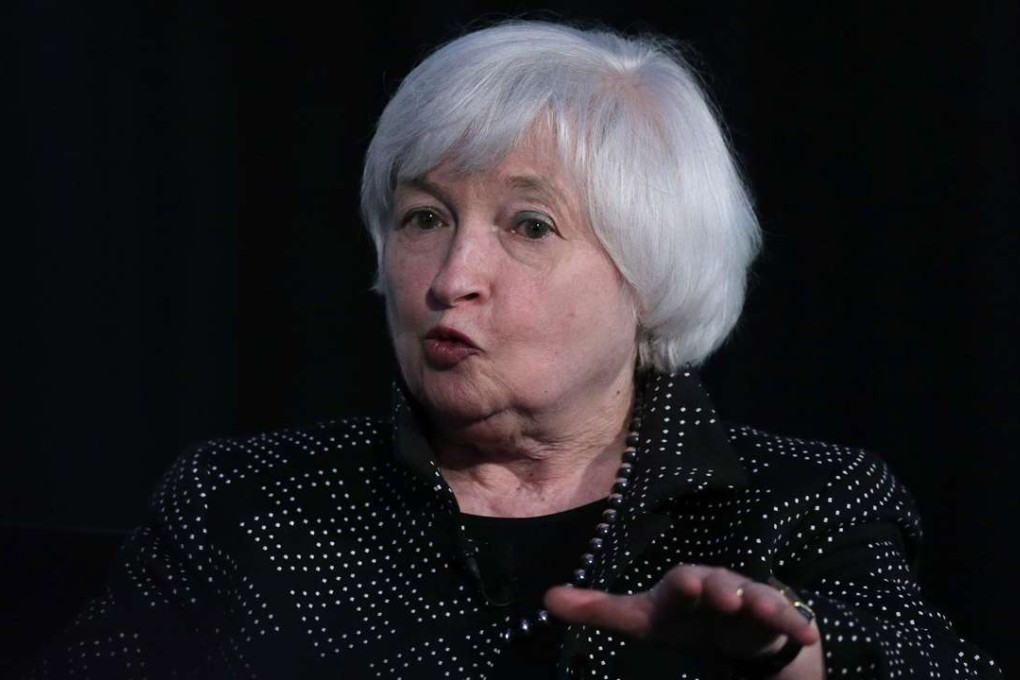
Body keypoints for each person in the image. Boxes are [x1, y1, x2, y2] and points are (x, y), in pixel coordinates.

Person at [23, 19, 1001, 680]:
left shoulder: (813, 503)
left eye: (530, 225)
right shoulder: (237, 500)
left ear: (647, 271)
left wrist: (792, 666)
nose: (451, 277)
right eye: (422, 217)